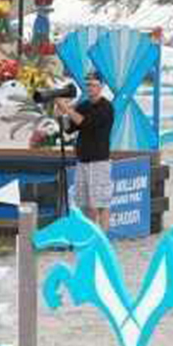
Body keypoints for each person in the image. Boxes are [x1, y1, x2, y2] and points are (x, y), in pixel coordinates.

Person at [55, 74, 114, 232]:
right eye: (88, 85)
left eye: (93, 85)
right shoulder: (84, 106)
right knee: (85, 204)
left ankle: (103, 237)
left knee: (100, 204)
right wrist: (60, 114)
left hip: (99, 161)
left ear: (101, 87)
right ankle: (90, 235)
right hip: (82, 160)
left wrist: (67, 108)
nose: (90, 88)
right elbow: (69, 128)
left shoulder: (106, 107)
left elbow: (86, 123)